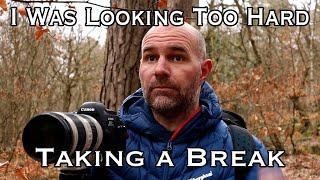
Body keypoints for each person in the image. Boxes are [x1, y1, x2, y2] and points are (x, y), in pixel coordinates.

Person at [90, 23, 284, 179]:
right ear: (140, 67)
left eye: (176, 57)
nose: (159, 69)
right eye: (150, 57)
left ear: (204, 71)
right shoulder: (102, 144)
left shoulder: (245, 149)